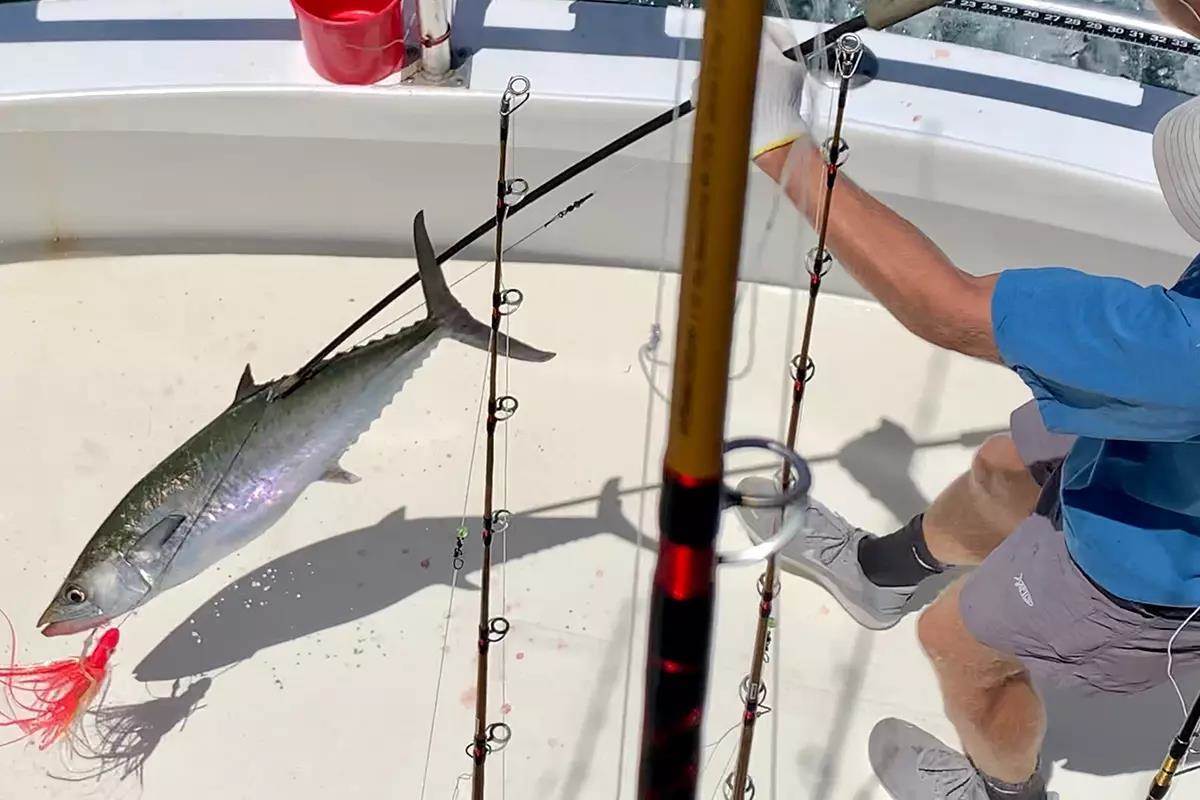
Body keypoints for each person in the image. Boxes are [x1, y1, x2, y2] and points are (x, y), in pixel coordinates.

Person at [737, 18, 1200, 800]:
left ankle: (1001, 794)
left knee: (957, 646)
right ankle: (878, 574)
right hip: (1169, 443)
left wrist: (781, 148)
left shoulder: (1177, 352)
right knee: (1000, 467)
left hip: (1158, 569)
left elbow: (944, 306)